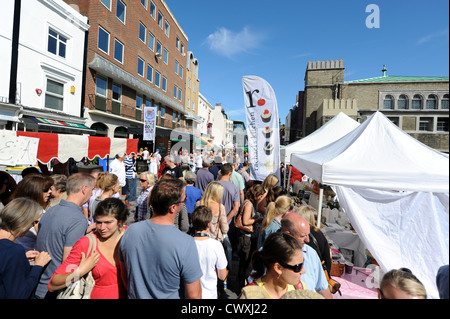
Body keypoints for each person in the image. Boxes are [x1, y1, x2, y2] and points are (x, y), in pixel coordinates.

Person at [119, 178, 203, 299]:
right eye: (184, 199)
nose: (185, 201)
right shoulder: (185, 242)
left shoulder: (130, 231)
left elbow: (125, 275)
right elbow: (194, 295)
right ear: (173, 208)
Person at [48, 198, 129, 299]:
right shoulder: (86, 243)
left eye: (108, 222)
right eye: (98, 222)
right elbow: (53, 283)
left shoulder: (132, 236)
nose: (102, 227)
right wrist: (80, 272)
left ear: (120, 221)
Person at [34, 173, 95, 299]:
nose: (92, 194)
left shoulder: (50, 211)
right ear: (84, 189)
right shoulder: (78, 220)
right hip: (54, 289)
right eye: (92, 189)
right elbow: (69, 263)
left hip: (39, 283)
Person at [0, 198, 52, 299]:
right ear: (24, 222)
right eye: (33, 222)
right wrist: (38, 266)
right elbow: (19, 294)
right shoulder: (14, 251)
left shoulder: (12, 252)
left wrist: (21, 259)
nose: (32, 226)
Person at [281, 213, 332, 299]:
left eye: (308, 234)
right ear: (288, 234)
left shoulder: (311, 253)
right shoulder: (270, 253)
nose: (308, 240)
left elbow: (322, 288)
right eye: (302, 236)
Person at [240, 232, 306, 299]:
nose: (303, 271)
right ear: (278, 268)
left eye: (303, 264)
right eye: (298, 267)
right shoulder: (250, 296)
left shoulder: (299, 288)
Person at [191, 205, 228, 299]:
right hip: (210, 294)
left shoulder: (186, 244)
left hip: (190, 293)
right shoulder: (216, 245)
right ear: (209, 224)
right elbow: (222, 276)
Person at [11, 174, 54, 252]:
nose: (50, 191)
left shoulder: (14, 207)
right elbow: (46, 239)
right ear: (34, 191)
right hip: (31, 258)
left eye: (50, 188)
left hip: (17, 254)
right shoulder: (38, 213)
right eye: (46, 189)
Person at [236, 184, 265, 290]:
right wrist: (257, 220)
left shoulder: (249, 202)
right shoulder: (249, 204)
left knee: (245, 262)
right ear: (257, 195)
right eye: (260, 196)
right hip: (245, 237)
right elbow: (245, 221)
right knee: (245, 262)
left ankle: (241, 283)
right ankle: (241, 286)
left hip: (245, 236)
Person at [296, 205, 332, 274]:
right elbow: (327, 258)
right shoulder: (319, 233)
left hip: (305, 272)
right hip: (317, 272)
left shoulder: (298, 234)